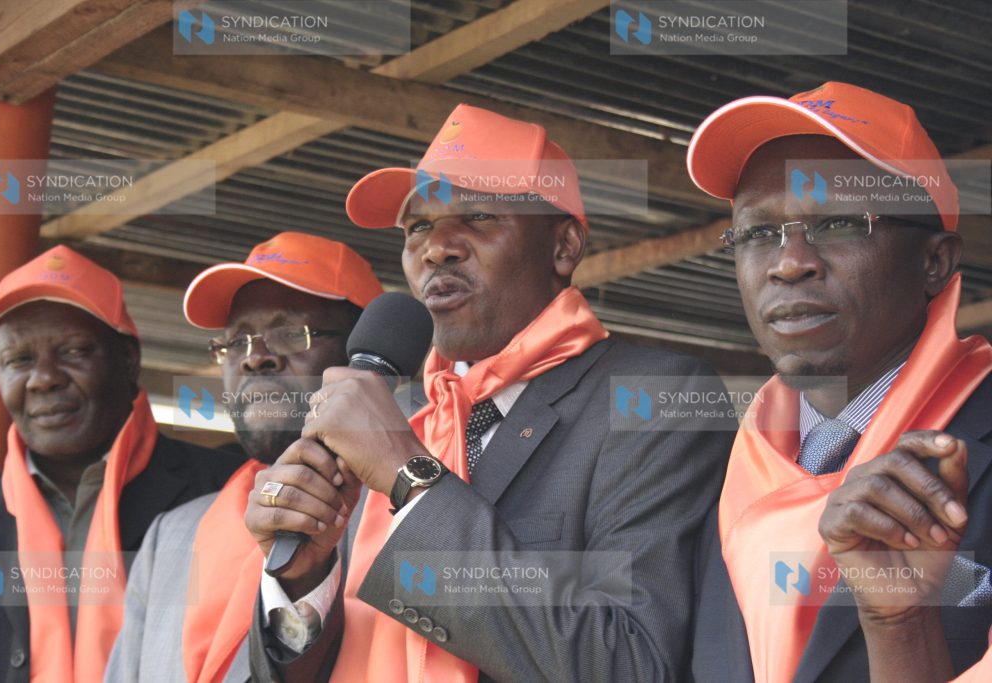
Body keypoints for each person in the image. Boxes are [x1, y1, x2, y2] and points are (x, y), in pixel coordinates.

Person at [245, 103, 736, 682]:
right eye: (418, 227)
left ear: (563, 246)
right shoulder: (397, 418)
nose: (437, 248)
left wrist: (410, 480)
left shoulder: (653, 399)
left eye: (477, 215)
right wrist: (304, 580)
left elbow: (630, 663)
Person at [685, 81, 992, 682]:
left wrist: (902, 627)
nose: (789, 262)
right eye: (757, 233)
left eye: (837, 223)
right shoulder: (722, 474)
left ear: (934, 261)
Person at [105, 232, 384, 682]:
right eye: (236, 342)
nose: (254, 359)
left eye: (290, 334)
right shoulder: (171, 535)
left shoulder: (406, 509)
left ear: (367, 356)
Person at [0, 245, 246, 683]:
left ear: (129, 359)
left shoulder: (226, 495)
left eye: (73, 351)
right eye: (18, 360)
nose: (44, 379)